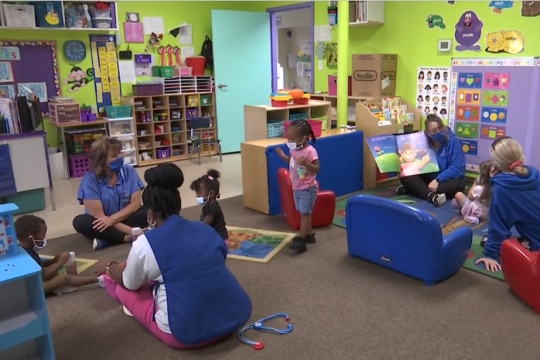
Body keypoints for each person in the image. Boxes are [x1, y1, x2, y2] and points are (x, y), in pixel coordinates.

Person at [96, 163, 251, 348]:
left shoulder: (145, 244)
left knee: (123, 288)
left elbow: (130, 283)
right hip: (233, 320)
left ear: (150, 215)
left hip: (184, 333)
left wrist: (111, 268)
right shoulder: (206, 231)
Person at [475, 137, 540, 272]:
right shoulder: (535, 174)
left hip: (537, 248)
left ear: (497, 164)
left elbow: (498, 225)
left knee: (488, 241)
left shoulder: (503, 189)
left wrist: (491, 255)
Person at [73, 137, 147, 250]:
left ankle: (106, 240)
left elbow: (135, 204)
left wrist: (112, 219)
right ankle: (126, 238)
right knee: (81, 222)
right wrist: (130, 231)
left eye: (119, 154)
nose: (119, 158)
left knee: (150, 210)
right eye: (114, 156)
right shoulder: (89, 180)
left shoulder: (129, 171)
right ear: (101, 160)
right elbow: (99, 217)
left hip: (122, 217)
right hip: (102, 222)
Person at [15, 215, 104, 295]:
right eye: (42, 235)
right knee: (63, 278)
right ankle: (98, 280)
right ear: (31, 237)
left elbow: (38, 265)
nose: (44, 238)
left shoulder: (22, 249)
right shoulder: (27, 255)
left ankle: (57, 286)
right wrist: (60, 262)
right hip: (33, 290)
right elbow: (43, 276)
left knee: (55, 273)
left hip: (30, 283)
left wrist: (54, 260)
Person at [396, 115, 466, 206]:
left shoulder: (453, 141)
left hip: (447, 179)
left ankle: (415, 189)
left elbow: (457, 168)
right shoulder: (424, 142)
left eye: (440, 128)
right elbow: (415, 162)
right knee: (406, 175)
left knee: (458, 185)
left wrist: (438, 180)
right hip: (429, 178)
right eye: (434, 130)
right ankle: (431, 195)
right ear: (428, 133)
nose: (438, 131)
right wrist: (402, 167)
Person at [275, 120, 320, 253]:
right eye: (289, 138)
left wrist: (306, 163)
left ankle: (301, 238)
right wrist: (283, 156)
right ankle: (309, 235)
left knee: (304, 214)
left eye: (293, 139)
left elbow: (317, 168)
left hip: (307, 188)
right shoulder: (294, 151)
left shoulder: (310, 151)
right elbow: (293, 163)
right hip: (297, 187)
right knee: (304, 213)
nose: (290, 141)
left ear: (304, 137)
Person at [190, 169, 228, 241]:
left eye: (199, 193)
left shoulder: (213, 207)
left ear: (211, 193)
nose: (197, 196)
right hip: (215, 237)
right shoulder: (209, 205)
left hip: (219, 240)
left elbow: (205, 226)